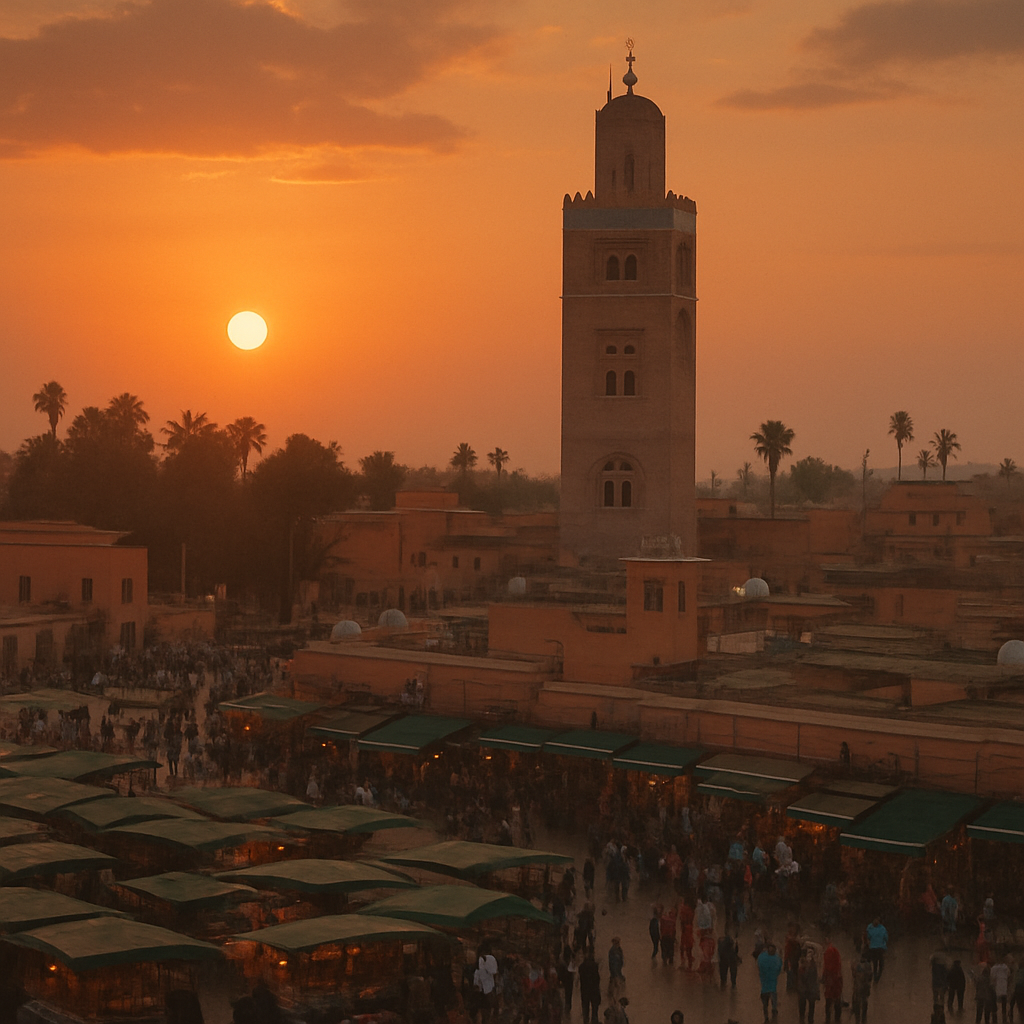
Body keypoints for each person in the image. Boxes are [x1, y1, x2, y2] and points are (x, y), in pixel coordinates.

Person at [757, 941, 783, 1022]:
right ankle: (774, 1010)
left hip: (764, 985)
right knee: (773, 997)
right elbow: (779, 969)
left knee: (765, 1003)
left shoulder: (762, 957)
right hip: (772, 984)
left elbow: (759, 966)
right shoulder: (777, 958)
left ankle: (766, 1017)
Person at [798, 944, 822, 1024]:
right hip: (806, 989)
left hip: (809, 989)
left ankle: (807, 1020)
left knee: (809, 1008)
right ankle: (804, 1020)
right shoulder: (804, 964)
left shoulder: (813, 965)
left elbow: (815, 977)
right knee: (804, 1008)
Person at [822, 941, 843, 1023]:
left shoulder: (828, 955)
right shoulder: (837, 967)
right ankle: (837, 1019)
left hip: (830, 981)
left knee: (828, 999)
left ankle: (828, 1019)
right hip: (836, 981)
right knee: (837, 999)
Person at [579, 950, 601, 1024]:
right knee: (594, 1008)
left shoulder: (581, 967)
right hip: (594, 991)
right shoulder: (595, 966)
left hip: (584, 991)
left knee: (585, 1008)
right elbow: (597, 979)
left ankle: (586, 1021)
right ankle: (594, 1020)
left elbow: (581, 980)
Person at [851, 952, 872, 1024]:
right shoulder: (868, 965)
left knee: (857, 1001)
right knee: (865, 1001)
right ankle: (863, 1017)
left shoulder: (857, 965)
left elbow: (854, 975)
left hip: (858, 986)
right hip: (865, 986)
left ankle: (857, 1018)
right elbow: (870, 977)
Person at [864, 917, 888, 983]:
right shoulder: (883, 929)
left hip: (873, 948)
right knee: (881, 964)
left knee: (875, 964)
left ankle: (875, 977)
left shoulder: (870, 928)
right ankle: (878, 977)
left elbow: (868, 937)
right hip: (880, 949)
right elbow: (886, 938)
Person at [991, 957, 1011, 1023]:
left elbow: (992, 977)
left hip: (996, 987)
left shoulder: (993, 968)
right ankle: (1004, 1018)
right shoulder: (1006, 967)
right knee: (1004, 1003)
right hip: (1004, 987)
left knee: (994, 1002)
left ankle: (994, 1018)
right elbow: (1009, 975)